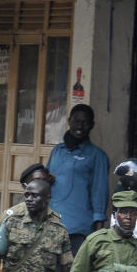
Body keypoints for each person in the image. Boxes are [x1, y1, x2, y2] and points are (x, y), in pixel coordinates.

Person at [47, 104, 110, 256]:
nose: (80, 126)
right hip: (51, 225)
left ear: (92, 125)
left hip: (78, 229)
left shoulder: (96, 156)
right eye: (76, 121)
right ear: (69, 121)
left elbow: (99, 193)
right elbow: (47, 182)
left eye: (85, 122)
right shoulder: (57, 151)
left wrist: (99, 229)